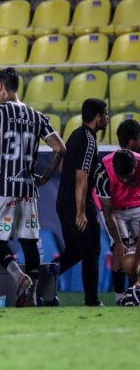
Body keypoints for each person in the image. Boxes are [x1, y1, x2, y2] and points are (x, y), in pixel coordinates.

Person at [0, 68, 66, 307]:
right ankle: (29, 297)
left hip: (0, 188)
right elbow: (60, 148)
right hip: (28, 191)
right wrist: (45, 177)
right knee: (29, 241)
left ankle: (17, 275)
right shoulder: (36, 116)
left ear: (1, 86)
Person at [55, 98, 109, 307]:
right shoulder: (88, 140)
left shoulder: (76, 134)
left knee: (75, 251)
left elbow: (63, 167)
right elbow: (81, 178)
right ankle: (92, 300)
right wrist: (81, 212)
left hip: (63, 203)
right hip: (77, 205)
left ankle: (40, 278)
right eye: (104, 115)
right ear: (97, 117)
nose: (106, 118)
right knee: (91, 251)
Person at [95, 119, 140, 303]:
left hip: (137, 205)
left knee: (137, 250)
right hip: (114, 209)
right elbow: (108, 214)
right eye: (124, 179)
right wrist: (120, 242)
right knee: (120, 250)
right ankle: (120, 297)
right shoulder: (102, 173)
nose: (129, 182)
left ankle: (136, 290)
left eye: (131, 177)